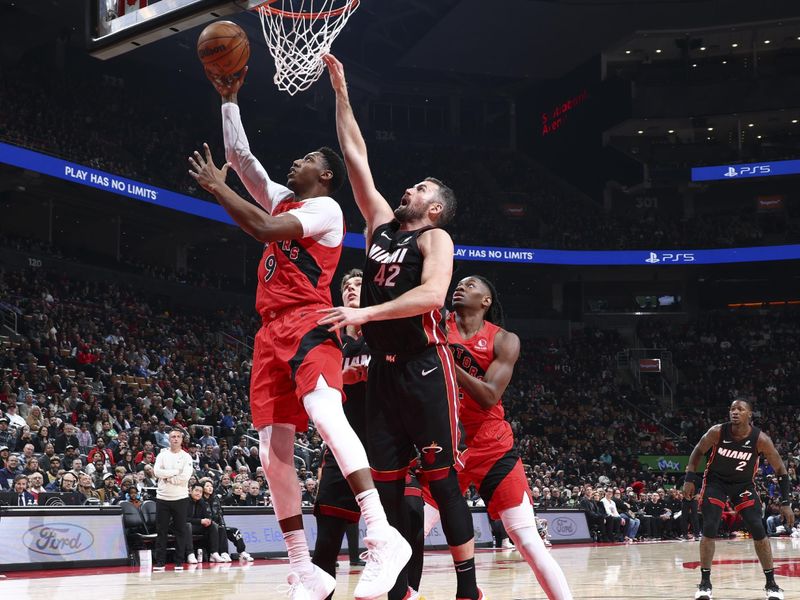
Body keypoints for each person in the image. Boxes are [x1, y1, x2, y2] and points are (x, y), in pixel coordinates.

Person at [188, 66, 408, 600]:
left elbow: (261, 228)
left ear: (326, 175)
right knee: (271, 452)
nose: (297, 162)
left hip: (310, 321)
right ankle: (303, 567)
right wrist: (230, 99)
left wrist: (218, 190)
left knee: (325, 414)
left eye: (308, 158)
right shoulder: (284, 198)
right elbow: (242, 159)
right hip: (269, 334)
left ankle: (381, 532)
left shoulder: (326, 209)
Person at [321, 53, 479, 600]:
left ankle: (468, 588)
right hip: (384, 376)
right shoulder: (381, 225)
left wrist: (363, 312)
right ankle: (399, 589)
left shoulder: (436, 240)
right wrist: (341, 92)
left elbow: (433, 295)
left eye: (420, 189)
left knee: (442, 482)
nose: (409, 190)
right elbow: (355, 154)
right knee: (386, 491)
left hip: (424, 367)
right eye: (411, 186)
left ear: (435, 210)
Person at [424, 275, 574, 599]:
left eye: (471, 285)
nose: (460, 287)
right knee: (409, 534)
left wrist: (446, 360)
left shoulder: (504, 340)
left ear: (486, 301)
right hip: (444, 445)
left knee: (527, 540)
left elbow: (490, 396)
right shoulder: (435, 324)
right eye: (459, 283)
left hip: (492, 445)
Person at [684, 398, 794, 600]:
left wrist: (786, 503)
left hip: (743, 485)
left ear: (749, 414)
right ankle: (705, 583)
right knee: (709, 526)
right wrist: (690, 478)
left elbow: (781, 470)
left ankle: (771, 584)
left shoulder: (761, 439)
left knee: (757, 527)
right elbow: (698, 450)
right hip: (716, 483)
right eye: (732, 409)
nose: (735, 412)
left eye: (740, 409)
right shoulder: (717, 431)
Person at [312, 269, 372, 587]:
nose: (350, 288)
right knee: (325, 544)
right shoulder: (331, 343)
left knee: (401, 534)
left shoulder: (389, 334)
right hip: (340, 450)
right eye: (346, 286)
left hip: (384, 447)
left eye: (358, 284)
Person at [153, 428, 194, 571]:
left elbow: (185, 477)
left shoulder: (187, 457)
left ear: (182, 440)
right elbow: (157, 472)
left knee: (180, 531)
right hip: (162, 498)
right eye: (173, 437)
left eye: (178, 437)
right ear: (169, 439)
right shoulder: (162, 455)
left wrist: (167, 477)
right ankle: (160, 562)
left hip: (181, 498)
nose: (175, 439)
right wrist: (175, 472)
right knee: (161, 531)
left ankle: (179, 562)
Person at [202, 479, 253, 562]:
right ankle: (223, 553)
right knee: (221, 529)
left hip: (217, 525)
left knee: (234, 531)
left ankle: (242, 552)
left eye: (211, 486)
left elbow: (219, 514)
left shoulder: (215, 499)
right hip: (206, 526)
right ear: (202, 488)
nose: (210, 488)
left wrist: (222, 524)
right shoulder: (200, 500)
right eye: (207, 486)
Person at [187, 483, 224, 562]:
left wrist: (208, 520)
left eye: (200, 492)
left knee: (213, 525)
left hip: (196, 526)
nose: (198, 493)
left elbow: (206, 516)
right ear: (190, 491)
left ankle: (214, 553)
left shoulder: (202, 502)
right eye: (196, 491)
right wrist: (200, 521)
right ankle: (190, 554)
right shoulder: (185, 501)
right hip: (183, 526)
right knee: (187, 525)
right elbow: (183, 519)